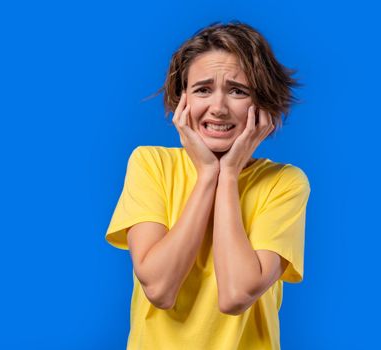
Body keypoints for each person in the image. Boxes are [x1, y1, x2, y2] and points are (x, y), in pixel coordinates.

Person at [105, 20, 311, 350]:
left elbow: (235, 295)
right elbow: (159, 288)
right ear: (181, 99)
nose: (218, 107)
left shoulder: (284, 183)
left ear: (263, 103)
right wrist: (207, 177)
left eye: (237, 91)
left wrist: (227, 175)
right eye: (203, 89)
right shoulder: (150, 164)